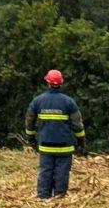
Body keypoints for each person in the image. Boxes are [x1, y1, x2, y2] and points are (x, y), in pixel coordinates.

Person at [25, 69, 86, 199]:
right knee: (62, 173)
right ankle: (59, 197)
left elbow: (29, 121)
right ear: (61, 83)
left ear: (47, 82)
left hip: (45, 145)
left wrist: (31, 139)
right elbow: (77, 125)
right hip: (65, 147)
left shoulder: (37, 101)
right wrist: (81, 141)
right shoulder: (69, 102)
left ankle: (43, 197)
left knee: (45, 171)